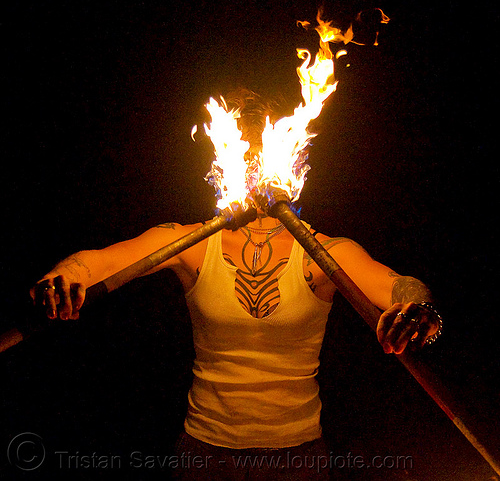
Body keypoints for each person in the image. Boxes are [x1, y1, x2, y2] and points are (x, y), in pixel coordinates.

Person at [31, 89, 441, 480]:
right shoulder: (191, 244)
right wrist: (63, 279)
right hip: (204, 452)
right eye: (243, 155)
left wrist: (417, 313)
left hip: (296, 456)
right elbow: (97, 262)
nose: (253, 170)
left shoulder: (326, 254)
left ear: (291, 161)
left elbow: (402, 287)